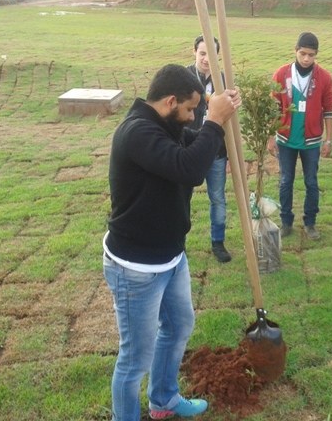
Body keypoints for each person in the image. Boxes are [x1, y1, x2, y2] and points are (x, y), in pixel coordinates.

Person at [103, 64, 240, 421]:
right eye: (190, 109)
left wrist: (220, 119)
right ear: (169, 101)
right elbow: (189, 169)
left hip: (170, 257)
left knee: (179, 326)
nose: (193, 117)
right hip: (136, 267)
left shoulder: (167, 125)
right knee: (135, 359)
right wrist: (213, 121)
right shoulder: (137, 133)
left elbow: (197, 146)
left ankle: (163, 399)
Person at [269, 32, 332, 240]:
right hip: (286, 140)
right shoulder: (281, 74)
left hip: (312, 141)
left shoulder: (324, 77)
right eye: (303, 53)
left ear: (316, 55)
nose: (306, 59)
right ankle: (286, 221)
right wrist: (271, 137)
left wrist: (329, 139)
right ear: (295, 50)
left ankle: (310, 222)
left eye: (311, 55)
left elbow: (329, 110)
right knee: (286, 181)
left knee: (311, 182)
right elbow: (273, 108)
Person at [187, 35, 232, 262]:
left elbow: (231, 120)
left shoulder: (223, 80)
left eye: (212, 55)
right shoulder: (184, 78)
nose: (206, 59)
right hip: (189, 149)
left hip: (216, 152)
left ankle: (218, 242)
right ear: (194, 52)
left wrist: (232, 156)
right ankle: (179, 242)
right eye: (202, 53)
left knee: (218, 198)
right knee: (181, 197)